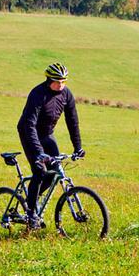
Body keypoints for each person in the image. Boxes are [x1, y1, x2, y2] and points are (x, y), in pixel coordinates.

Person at [17, 62, 84, 228]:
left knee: (55, 171)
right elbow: (29, 124)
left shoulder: (66, 94)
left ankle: (29, 200)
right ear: (48, 80)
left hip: (47, 135)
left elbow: (72, 121)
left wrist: (78, 147)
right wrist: (39, 152)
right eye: (57, 81)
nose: (60, 85)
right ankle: (31, 212)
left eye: (63, 81)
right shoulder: (38, 94)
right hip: (29, 133)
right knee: (40, 170)